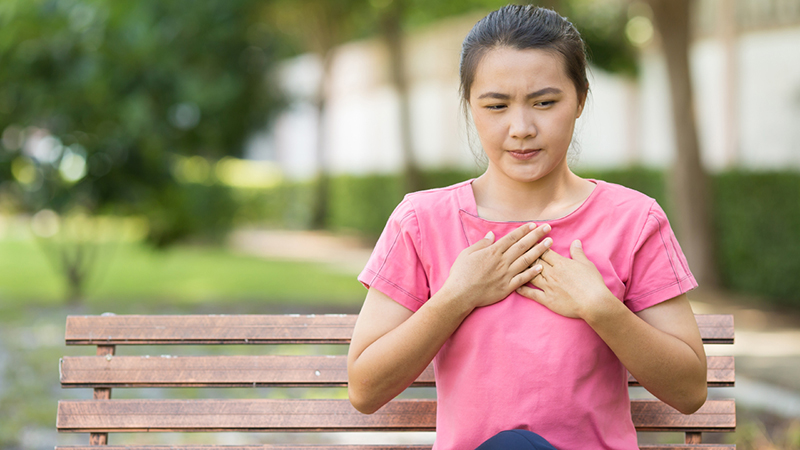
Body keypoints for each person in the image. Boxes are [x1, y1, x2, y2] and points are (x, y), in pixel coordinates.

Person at [346, 5, 707, 450]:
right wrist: (457, 296)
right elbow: (364, 390)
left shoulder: (633, 220)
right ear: (470, 106)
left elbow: (690, 393)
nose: (521, 128)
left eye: (544, 102)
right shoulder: (422, 222)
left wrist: (600, 308)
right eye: (496, 105)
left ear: (580, 100)